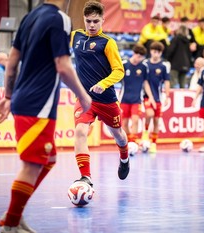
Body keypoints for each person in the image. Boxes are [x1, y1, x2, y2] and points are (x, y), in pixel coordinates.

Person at [0, 1, 92, 232]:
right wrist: (83, 96)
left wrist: (8, 96)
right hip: (38, 105)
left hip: (24, 100)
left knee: (48, 159)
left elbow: (12, 59)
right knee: (32, 165)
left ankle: (14, 216)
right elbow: (63, 66)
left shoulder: (30, 17)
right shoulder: (61, 19)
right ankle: (10, 224)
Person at [71, 1, 129, 187]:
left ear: (103, 20)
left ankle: (124, 158)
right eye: (88, 21)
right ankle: (86, 177)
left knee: (118, 134)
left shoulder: (108, 43)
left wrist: (103, 84)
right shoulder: (75, 37)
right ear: (84, 20)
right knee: (80, 131)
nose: (92, 25)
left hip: (106, 99)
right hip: (85, 98)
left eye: (96, 21)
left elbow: (119, 71)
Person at [120, 44, 155, 144]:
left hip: (137, 99)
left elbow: (145, 83)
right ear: (133, 53)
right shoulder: (124, 64)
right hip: (124, 98)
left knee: (135, 120)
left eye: (141, 57)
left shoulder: (144, 67)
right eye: (137, 56)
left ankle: (133, 142)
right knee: (124, 122)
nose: (138, 59)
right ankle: (127, 141)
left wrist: (151, 97)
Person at [141, 41, 170, 153]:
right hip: (147, 96)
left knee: (157, 121)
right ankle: (145, 132)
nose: (155, 54)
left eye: (158, 52)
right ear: (150, 51)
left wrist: (167, 96)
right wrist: (150, 97)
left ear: (161, 53)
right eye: (154, 51)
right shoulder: (145, 64)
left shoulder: (163, 66)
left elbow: (167, 81)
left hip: (159, 97)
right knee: (149, 113)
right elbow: (144, 81)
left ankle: (154, 143)